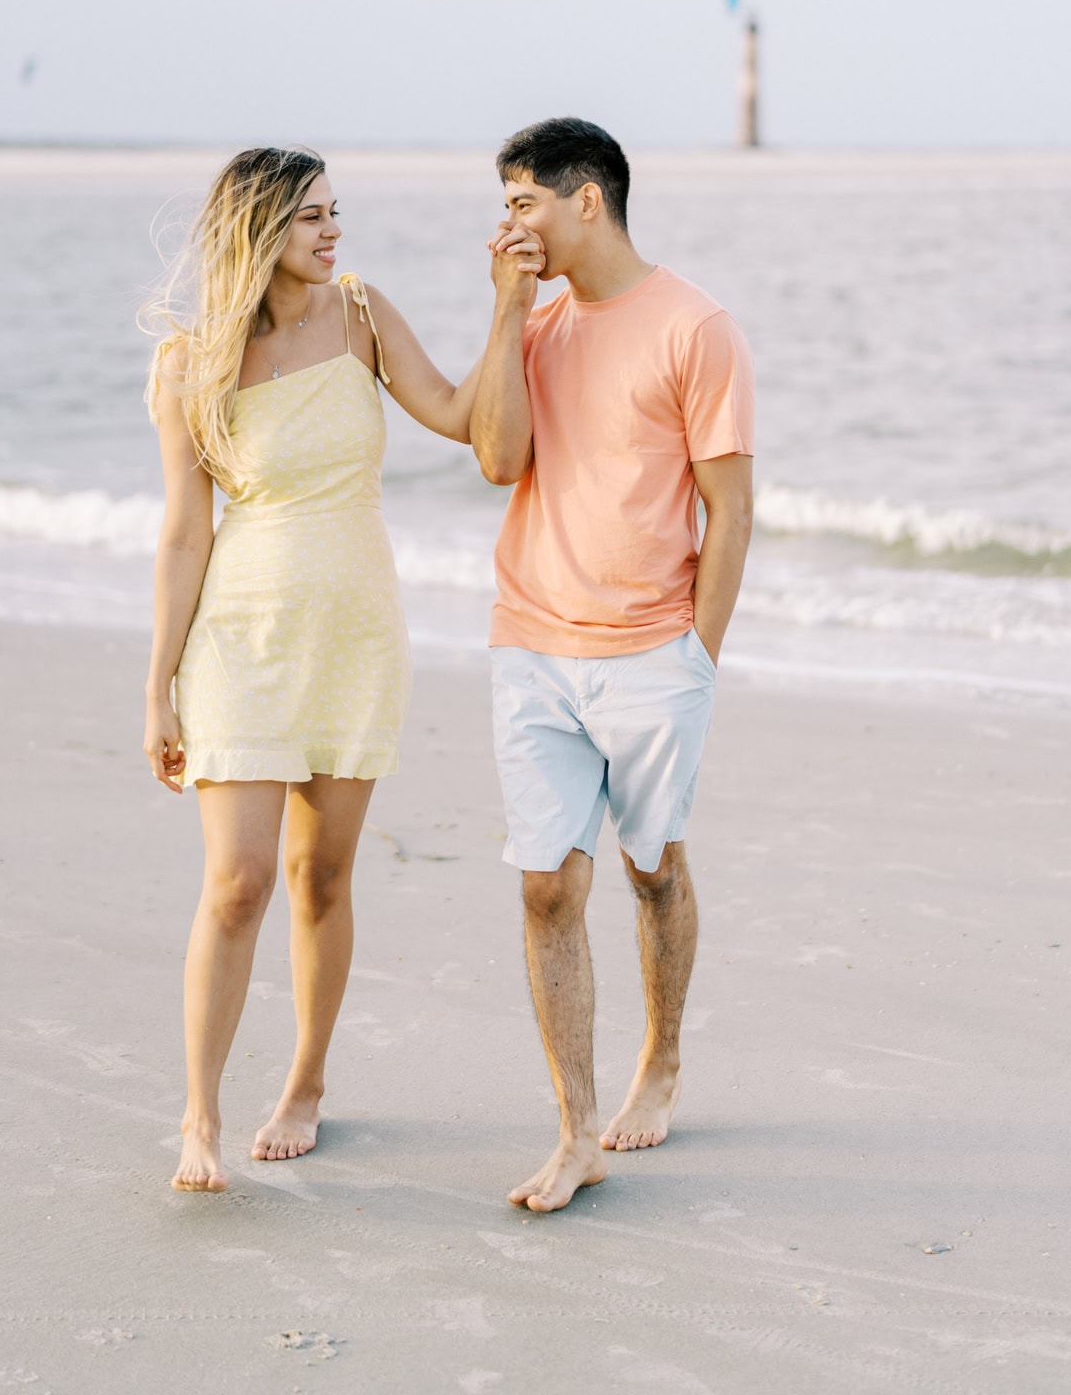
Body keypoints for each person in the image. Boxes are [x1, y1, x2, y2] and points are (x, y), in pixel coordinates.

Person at [142, 145, 480, 1194]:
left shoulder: (364, 314)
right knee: (236, 881)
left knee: (318, 875)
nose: (332, 232)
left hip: (354, 633)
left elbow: (462, 416)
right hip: (240, 638)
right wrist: (157, 683)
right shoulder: (189, 363)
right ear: (255, 230)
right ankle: (198, 1111)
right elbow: (184, 534)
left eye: (337, 211)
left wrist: (514, 305)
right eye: (308, 218)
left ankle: (305, 1082)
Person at [470, 117, 755, 1213]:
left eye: (522, 200)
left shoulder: (695, 326)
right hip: (531, 641)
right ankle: (574, 1125)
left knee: (650, 869)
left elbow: (730, 508)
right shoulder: (535, 326)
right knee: (548, 885)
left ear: (585, 199)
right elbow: (498, 458)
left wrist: (698, 655)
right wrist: (503, 310)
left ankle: (664, 1058)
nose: (508, 223)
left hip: (652, 653)